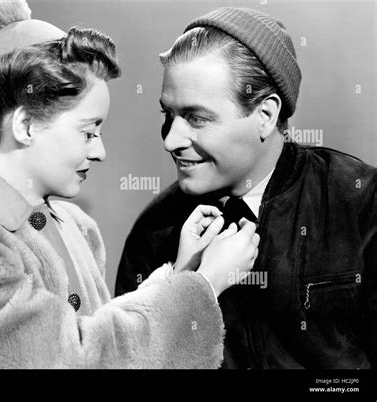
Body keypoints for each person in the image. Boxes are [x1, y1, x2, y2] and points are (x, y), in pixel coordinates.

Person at [0, 0, 260, 369]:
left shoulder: (77, 227)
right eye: (88, 132)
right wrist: (205, 285)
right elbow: (73, 360)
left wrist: (183, 270)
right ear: (26, 126)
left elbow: (96, 333)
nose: (101, 151)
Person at [116, 6, 376, 369]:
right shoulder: (156, 230)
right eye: (168, 115)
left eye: (196, 117)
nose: (171, 139)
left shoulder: (362, 202)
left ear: (266, 116)